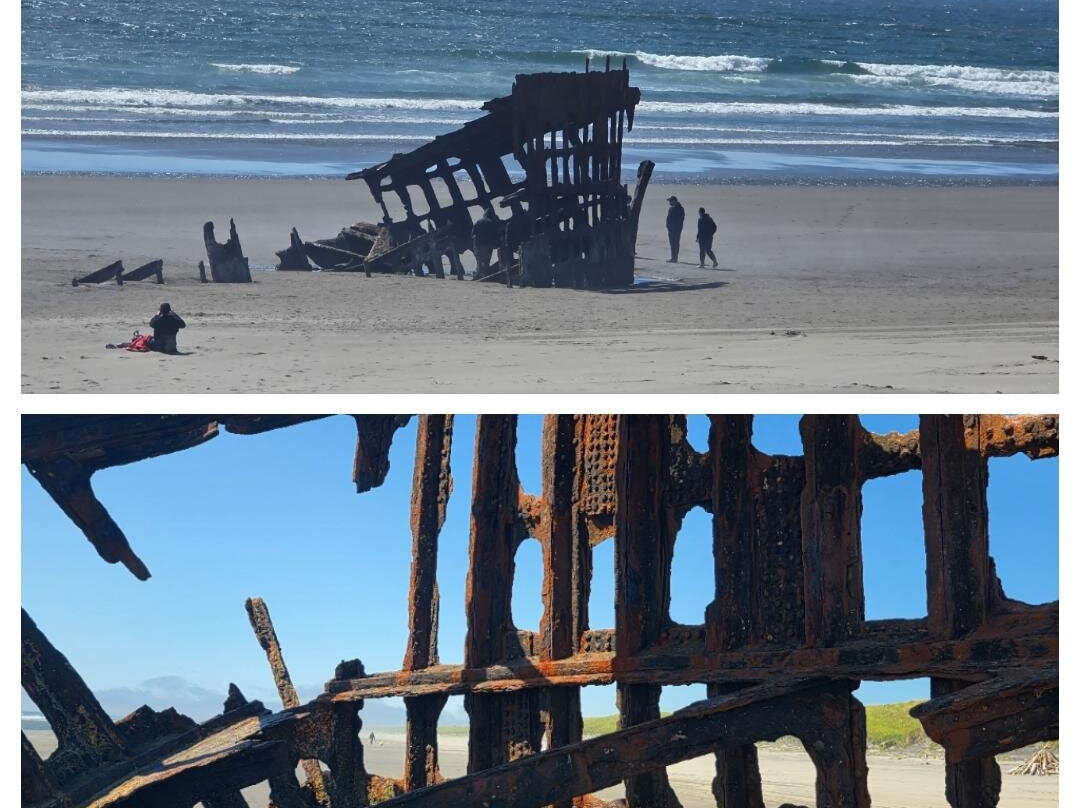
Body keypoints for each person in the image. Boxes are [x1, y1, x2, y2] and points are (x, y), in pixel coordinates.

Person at [471, 207, 501, 278]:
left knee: (479, 261)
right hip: (488, 245)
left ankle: (479, 274)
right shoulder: (492, 223)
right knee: (487, 261)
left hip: (479, 244)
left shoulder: (478, 221)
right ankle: (485, 275)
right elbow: (496, 235)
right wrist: (497, 244)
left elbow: (473, 234)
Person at [665, 195, 684, 262]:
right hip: (677, 229)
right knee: (675, 243)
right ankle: (674, 257)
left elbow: (672, 219)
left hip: (674, 229)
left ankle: (674, 258)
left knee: (674, 244)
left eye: (670, 201)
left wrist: (670, 227)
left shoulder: (674, 209)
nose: (669, 202)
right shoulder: (680, 208)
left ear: (674, 201)